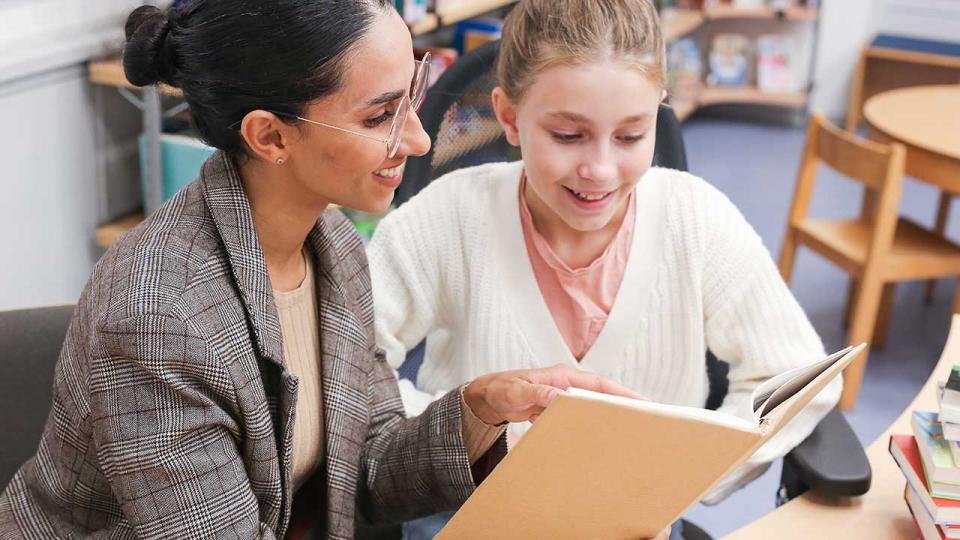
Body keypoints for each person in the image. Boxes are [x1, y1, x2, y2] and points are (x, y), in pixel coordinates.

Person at [0, 1, 645, 538]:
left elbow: (364, 469)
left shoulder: (331, 244)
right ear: (270, 137)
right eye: (378, 115)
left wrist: (482, 407)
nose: (419, 140)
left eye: (411, 94)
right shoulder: (158, 314)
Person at [367, 0, 842, 537]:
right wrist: (463, 446)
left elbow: (798, 377)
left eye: (631, 136)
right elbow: (348, 371)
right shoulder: (449, 214)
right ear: (508, 117)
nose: (599, 170)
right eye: (568, 136)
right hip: (471, 518)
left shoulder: (696, 219)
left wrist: (684, 470)